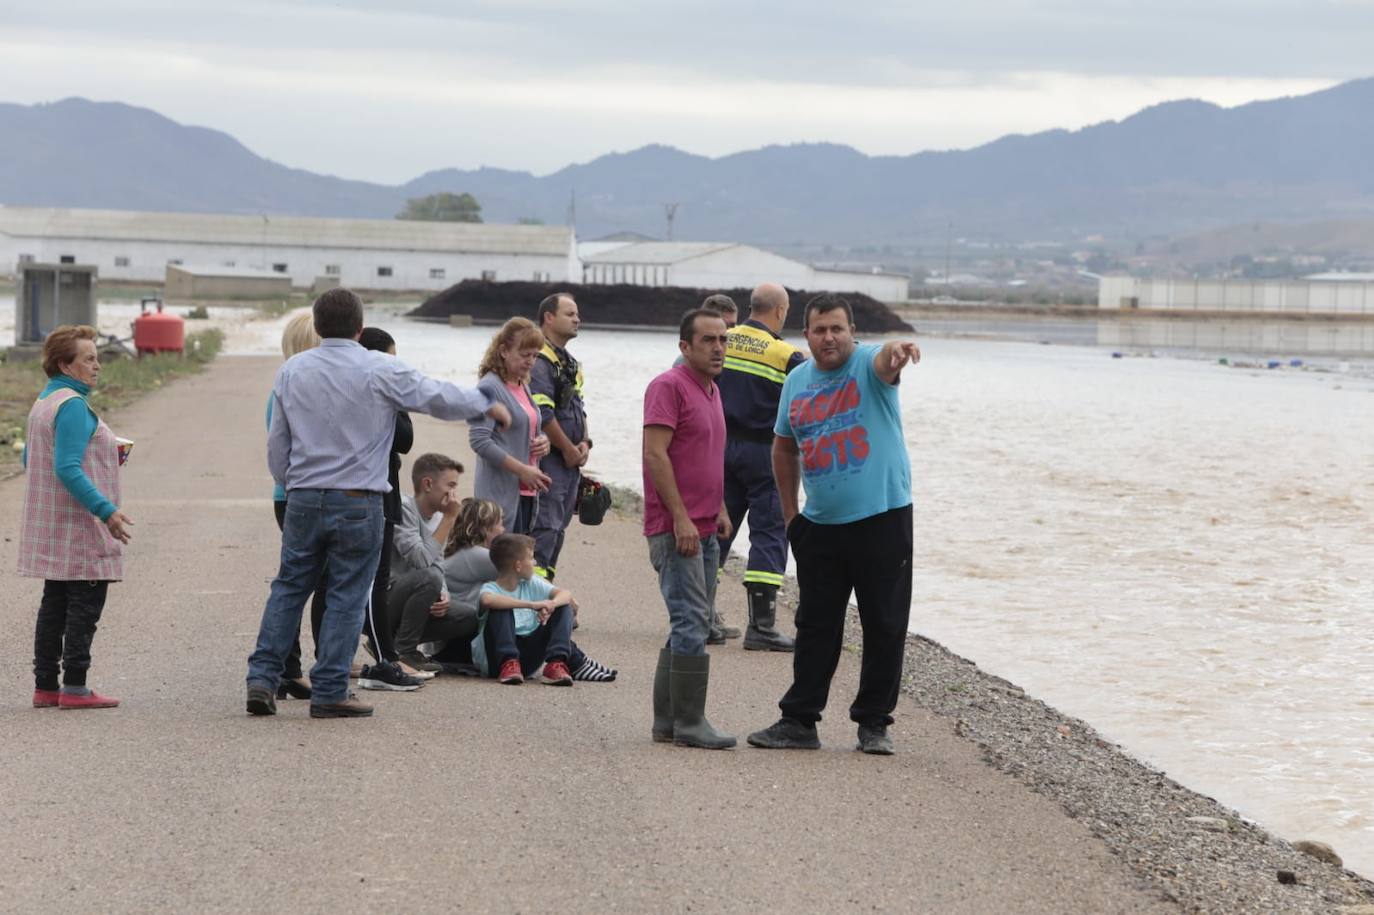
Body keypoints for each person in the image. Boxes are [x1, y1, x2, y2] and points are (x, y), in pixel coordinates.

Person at [245, 287, 511, 719]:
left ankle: (261, 678)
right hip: (358, 499)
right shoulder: (378, 367)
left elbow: (279, 444)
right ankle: (330, 690)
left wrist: (290, 484)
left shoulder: (292, 371)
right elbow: (435, 395)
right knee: (347, 595)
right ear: (360, 327)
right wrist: (485, 403)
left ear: (318, 326)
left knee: (289, 588)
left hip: (305, 497)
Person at [747, 294, 920, 756]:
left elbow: (887, 361)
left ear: (852, 332)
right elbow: (783, 447)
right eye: (820, 329)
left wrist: (896, 352)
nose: (829, 337)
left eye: (837, 329)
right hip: (819, 526)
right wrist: (790, 516)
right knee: (815, 626)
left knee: (884, 624)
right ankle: (799, 721)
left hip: (883, 519)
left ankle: (873, 724)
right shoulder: (797, 380)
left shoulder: (868, 365)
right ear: (806, 335)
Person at [19, 324, 133, 710]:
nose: (97, 365)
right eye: (88, 358)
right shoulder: (72, 406)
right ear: (65, 365)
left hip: (52, 527)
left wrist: (103, 456)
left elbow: (30, 458)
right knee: (84, 607)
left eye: (96, 357)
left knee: (53, 605)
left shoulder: (43, 403)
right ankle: (76, 687)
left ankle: (46, 686)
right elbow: (67, 467)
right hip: (79, 527)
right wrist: (108, 511)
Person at [642, 308, 735, 749]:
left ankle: (668, 722)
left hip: (705, 526)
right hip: (676, 527)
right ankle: (691, 724)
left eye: (723, 339)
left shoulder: (712, 389)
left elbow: (705, 454)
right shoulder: (668, 386)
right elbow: (656, 455)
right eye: (709, 340)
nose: (719, 347)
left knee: (688, 622)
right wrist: (679, 516)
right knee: (691, 620)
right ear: (685, 346)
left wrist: (717, 506)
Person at [716, 283, 806, 652]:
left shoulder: (721, 337)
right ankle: (762, 626)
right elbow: (804, 408)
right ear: (781, 311)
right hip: (764, 452)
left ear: (749, 306)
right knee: (769, 532)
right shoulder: (788, 355)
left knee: (717, 526)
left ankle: (700, 614)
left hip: (718, 447)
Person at [350, 327, 430, 692]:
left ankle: (365, 657)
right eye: (390, 358)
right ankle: (385, 659)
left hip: (383, 490)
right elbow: (404, 438)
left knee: (370, 582)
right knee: (371, 582)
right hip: (372, 492)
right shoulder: (371, 392)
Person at [384, 452, 480, 678]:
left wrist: (443, 593)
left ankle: (394, 645)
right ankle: (403, 651)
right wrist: (449, 520)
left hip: (414, 599)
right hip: (384, 601)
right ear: (428, 484)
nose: (454, 494)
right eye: (451, 485)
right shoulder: (404, 508)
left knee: (467, 616)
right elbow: (420, 559)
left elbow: (438, 565)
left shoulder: (437, 517)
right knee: (430, 578)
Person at [474, 533, 615, 685]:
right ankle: (509, 663)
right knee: (500, 607)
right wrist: (532, 605)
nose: (534, 562)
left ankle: (556, 664)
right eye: (531, 558)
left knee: (563, 606)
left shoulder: (531, 583)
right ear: (518, 566)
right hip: (497, 661)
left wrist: (551, 605)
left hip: (527, 662)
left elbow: (565, 594)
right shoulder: (490, 588)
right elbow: (487, 600)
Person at [269, 311, 320, 700]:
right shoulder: (297, 385)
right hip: (301, 494)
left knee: (297, 582)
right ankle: (289, 667)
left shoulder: (283, 384)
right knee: (301, 584)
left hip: (289, 493)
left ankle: (288, 668)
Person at [528, 293, 590, 581]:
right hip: (551, 460)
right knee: (544, 528)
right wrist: (567, 449)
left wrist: (585, 443)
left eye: (577, 314)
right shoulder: (539, 360)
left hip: (570, 462)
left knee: (558, 529)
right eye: (569, 314)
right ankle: (534, 598)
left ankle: (546, 590)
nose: (577, 319)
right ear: (548, 318)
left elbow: (580, 407)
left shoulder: (570, 363)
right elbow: (544, 414)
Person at [469, 318, 551, 535]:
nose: (531, 361)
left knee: (518, 562)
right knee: (500, 563)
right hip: (499, 495)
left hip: (526, 492)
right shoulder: (489, 386)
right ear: (503, 351)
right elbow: (479, 441)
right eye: (525, 355)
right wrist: (522, 470)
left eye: (535, 355)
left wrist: (544, 441)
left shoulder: (522, 383)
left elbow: (529, 426)